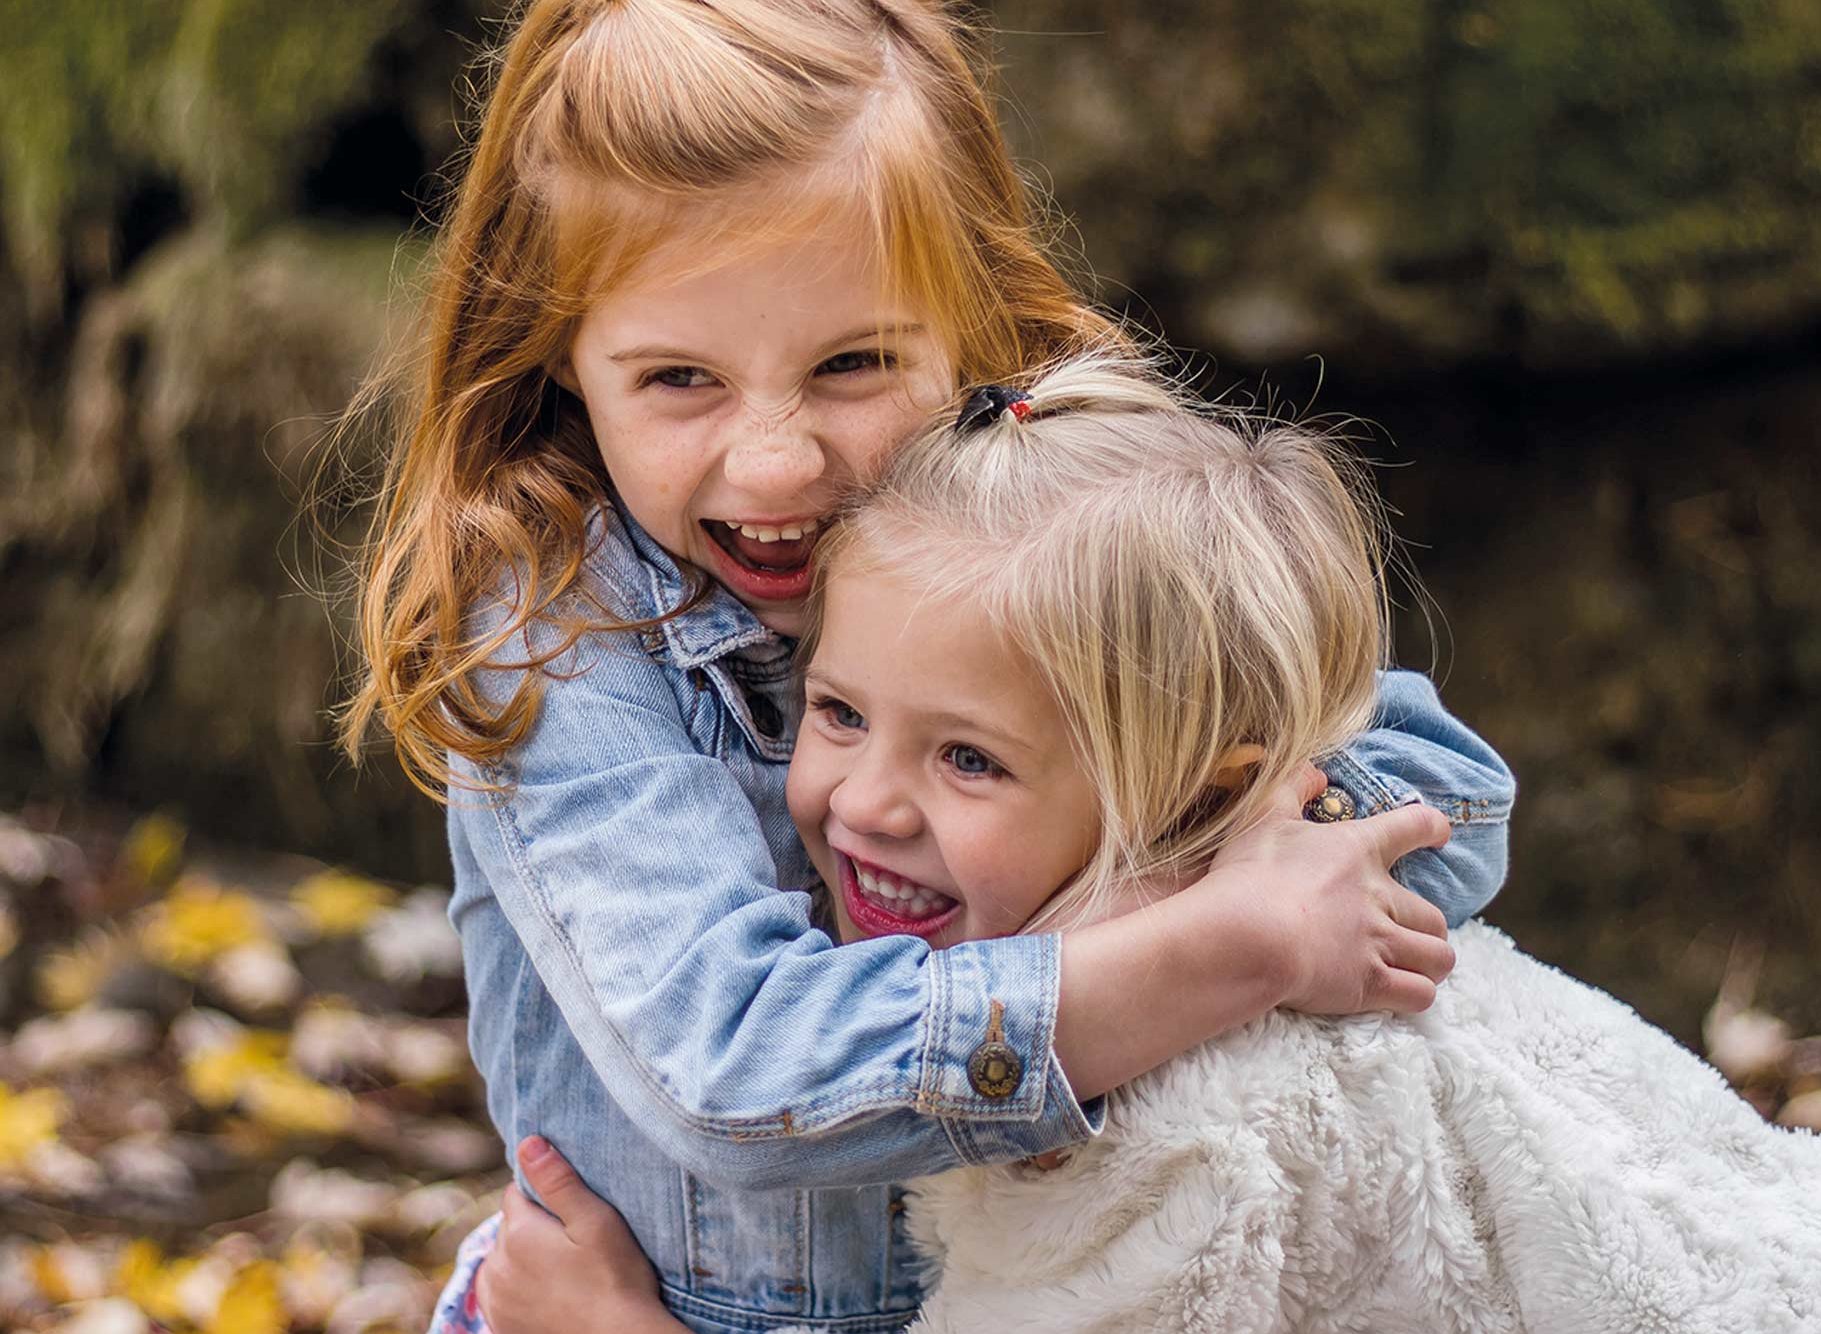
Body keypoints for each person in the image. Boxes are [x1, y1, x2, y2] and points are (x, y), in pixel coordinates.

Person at [338, 3, 1514, 1332]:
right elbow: (736, 1067)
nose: (776, 461)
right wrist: (1211, 946)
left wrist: (1148, 892)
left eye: (852, 364)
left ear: (966, 315)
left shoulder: (1054, 514)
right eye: (680, 380)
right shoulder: (557, 630)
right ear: (559, 346)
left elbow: (1441, 792)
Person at [481, 355, 1821, 1334]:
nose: (863, 802)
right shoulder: (1232, 919)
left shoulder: (1179, 1126)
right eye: (838, 710)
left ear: (1193, 792)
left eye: (970, 757)